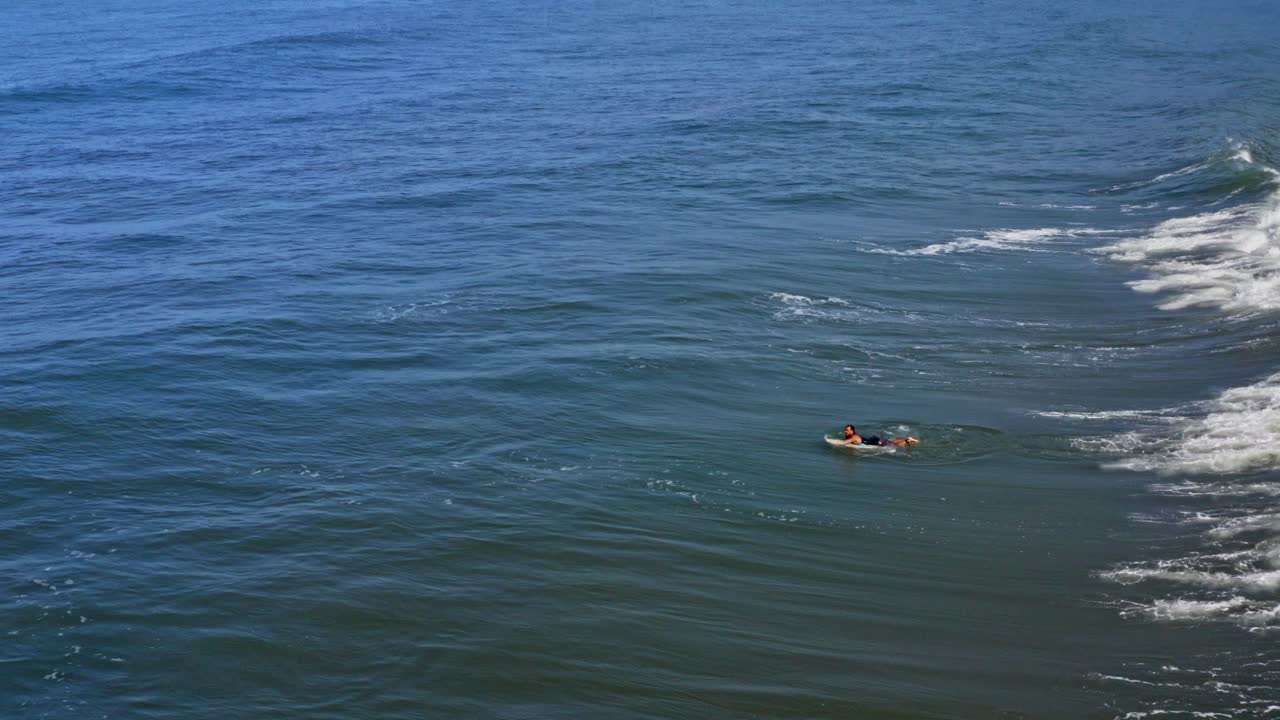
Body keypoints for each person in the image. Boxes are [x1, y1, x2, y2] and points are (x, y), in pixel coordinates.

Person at [840, 424, 918, 447]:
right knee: (891, 441)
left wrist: (838, 444)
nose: (845, 431)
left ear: (852, 431)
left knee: (894, 445)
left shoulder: (854, 437)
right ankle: (907, 438)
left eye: (847, 430)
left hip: (876, 441)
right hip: (872, 439)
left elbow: (844, 443)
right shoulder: (850, 436)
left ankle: (908, 441)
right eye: (845, 429)